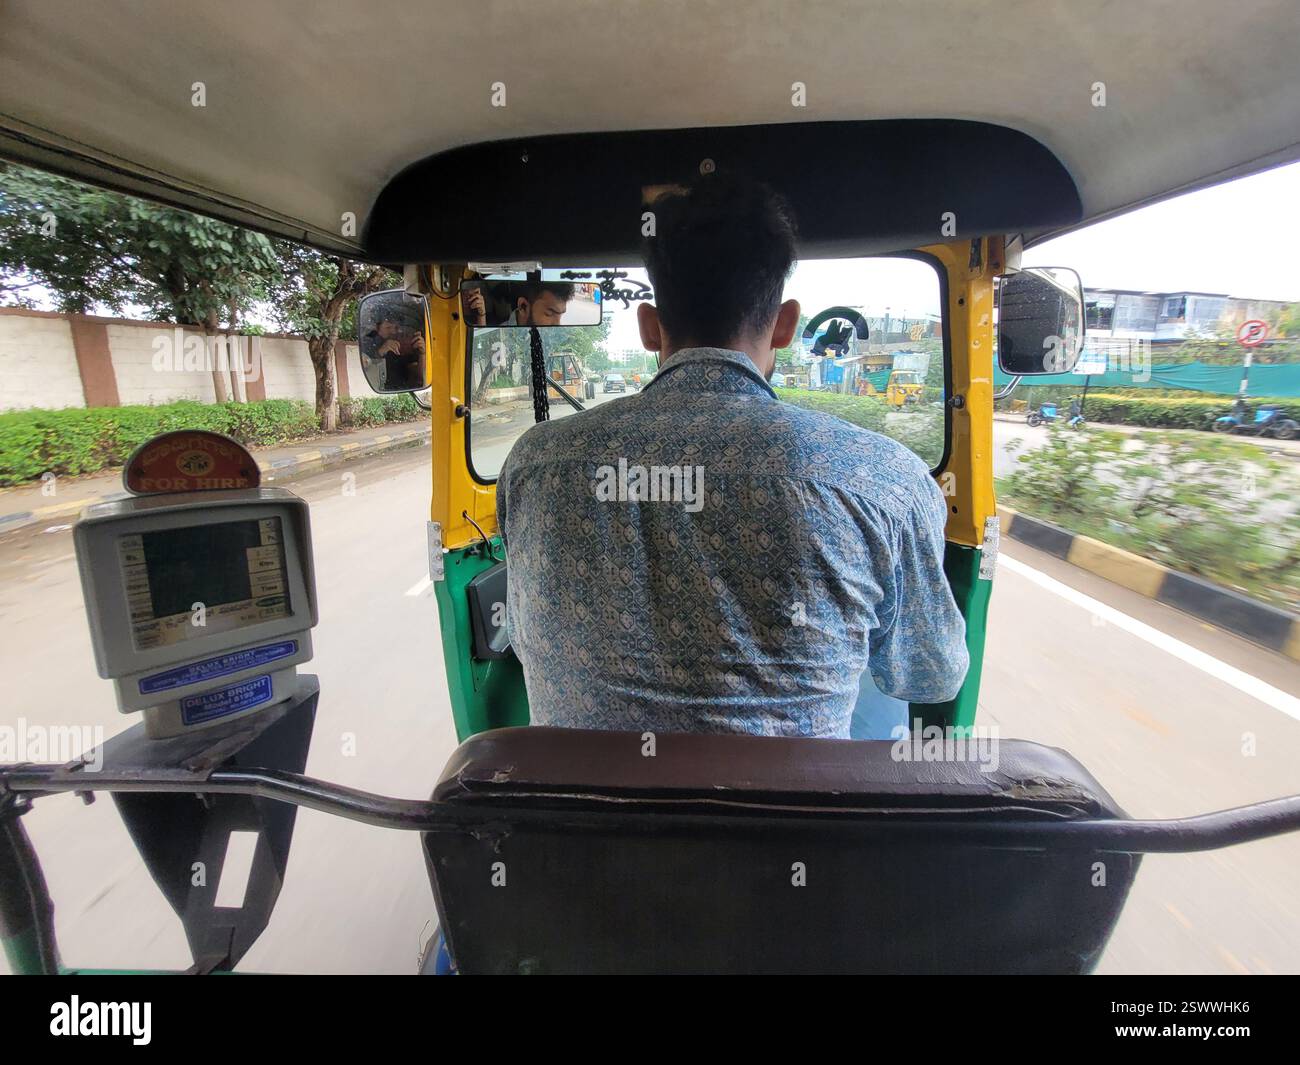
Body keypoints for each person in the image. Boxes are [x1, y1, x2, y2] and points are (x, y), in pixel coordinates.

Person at [496, 172, 968, 737]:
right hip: (788, 821)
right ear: (787, 325)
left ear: (650, 327)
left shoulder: (534, 463)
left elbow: (525, 643)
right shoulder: (884, 481)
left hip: (580, 819)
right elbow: (929, 678)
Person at [362, 314, 424, 389]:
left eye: (406, 335)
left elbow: (420, 378)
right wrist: (379, 353)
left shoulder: (410, 359)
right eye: (388, 327)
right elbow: (363, 363)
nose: (394, 332)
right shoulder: (371, 343)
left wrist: (422, 353)